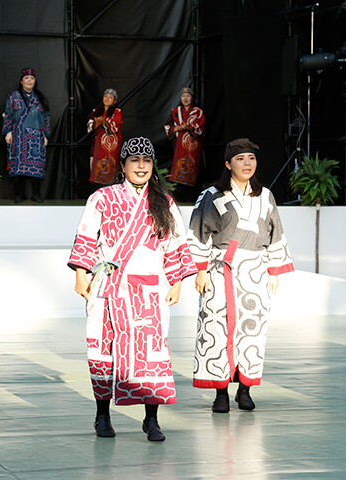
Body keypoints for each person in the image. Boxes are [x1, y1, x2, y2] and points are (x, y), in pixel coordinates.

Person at [68, 137, 196, 441]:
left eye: (147, 161)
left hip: (148, 290)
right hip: (107, 287)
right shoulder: (101, 198)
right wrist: (81, 275)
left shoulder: (163, 202)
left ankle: (151, 419)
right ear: (122, 165)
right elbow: (86, 235)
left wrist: (176, 281)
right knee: (102, 350)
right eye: (135, 161)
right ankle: (102, 415)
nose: (141, 167)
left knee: (151, 352)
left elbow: (176, 243)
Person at [187, 138, 294, 413]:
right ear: (228, 164)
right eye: (240, 159)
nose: (247, 163)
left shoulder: (265, 196)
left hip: (255, 273)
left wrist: (273, 270)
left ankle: (244, 389)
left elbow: (275, 233)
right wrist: (200, 270)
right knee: (215, 329)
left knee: (252, 330)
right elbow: (199, 232)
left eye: (251, 158)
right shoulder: (212, 195)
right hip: (219, 271)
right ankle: (220, 392)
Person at [2, 68, 51, 203]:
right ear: (21, 81)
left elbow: (46, 118)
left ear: (35, 81)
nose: (29, 80)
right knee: (17, 167)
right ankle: (18, 195)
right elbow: (7, 115)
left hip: (36, 138)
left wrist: (46, 135)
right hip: (18, 136)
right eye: (26, 78)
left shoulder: (40, 98)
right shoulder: (14, 96)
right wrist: (8, 132)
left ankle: (36, 194)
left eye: (32, 78)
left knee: (37, 167)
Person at [164, 86, 205, 188]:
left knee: (192, 164)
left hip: (192, 144)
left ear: (192, 98)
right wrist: (176, 128)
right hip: (178, 144)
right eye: (183, 96)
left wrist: (188, 127)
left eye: (188, 96)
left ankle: (192, 190)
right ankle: (179, 188)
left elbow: (201, 126)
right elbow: (167, 126)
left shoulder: (197, 112)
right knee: (179, 165)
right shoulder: (175, 111)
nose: (185, 98)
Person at [87, 88, 123, 185]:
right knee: (97, 168)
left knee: (110, 167)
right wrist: (96, 124)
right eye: (105, 96)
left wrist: (105, 121)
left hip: (110, 147)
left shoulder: (117, 112)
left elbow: (115, 126)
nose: (107, 99)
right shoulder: (96, 111)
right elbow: (89, 127)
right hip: (97, 145)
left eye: (110, 97)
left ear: (114, 101)